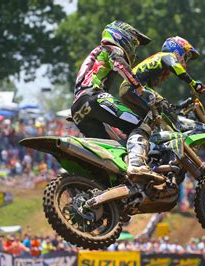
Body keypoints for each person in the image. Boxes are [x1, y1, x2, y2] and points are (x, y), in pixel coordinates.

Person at [70, 20, 163, 183]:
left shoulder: (96, 53)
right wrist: (140, 89)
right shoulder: (111, 48)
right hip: (94, 97)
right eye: (134, 43)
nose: (135, 49)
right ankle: (137, 164)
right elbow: (121, 65)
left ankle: (101, 186)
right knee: (140, 127)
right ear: (121, 35)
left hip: (78, 108)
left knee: (111, 149)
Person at [119, 36, 205, 118]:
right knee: (168, 113)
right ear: (177, 49)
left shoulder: (157, 59)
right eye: (186, 56)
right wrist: (194, 84)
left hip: (126, 90)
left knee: (151, 120)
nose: (185, 60)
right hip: (136, 87)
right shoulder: (167, 55)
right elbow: (175, 67)